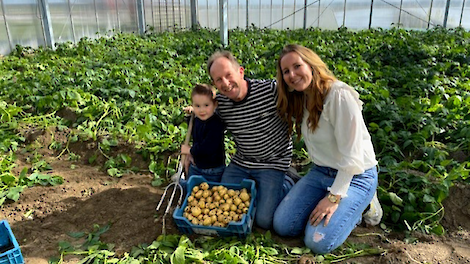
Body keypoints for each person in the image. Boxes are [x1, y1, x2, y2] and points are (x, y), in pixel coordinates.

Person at [273, 44, 382, 254]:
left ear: (311, 64)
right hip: (322, 171)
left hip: (356, 175)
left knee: (317, 242)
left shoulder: (338, 95)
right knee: (283, 225)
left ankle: (366, 204)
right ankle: (333, 206)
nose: (292, 75)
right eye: (286, 71)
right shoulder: (301, 98)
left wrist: (333, 198)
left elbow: (352, 156)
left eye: (297, 66)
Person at [207, 51, 294, 230]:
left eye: (228, 75)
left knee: (263, 221)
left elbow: (299, 102)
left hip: (273, 163)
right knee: (223, 202)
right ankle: (257, 188)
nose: (225, 83)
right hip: (242, 162)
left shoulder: (270, 90)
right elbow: (208, 126)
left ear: (240, 72)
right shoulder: (221, 103)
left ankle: (287, 183)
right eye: (218, 80)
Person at [180, 84, 225, 183]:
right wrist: (189, 117)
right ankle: (185, 186)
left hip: (212, 170)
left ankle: (184, 185)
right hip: (197, 165)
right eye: (197, 106)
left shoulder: (216, 124)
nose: (202, 110)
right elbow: (195, 131)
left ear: (215, 105)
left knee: (209, 192)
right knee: (193, 190)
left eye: (206, 105)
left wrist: (190, 150)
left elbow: (208, 147)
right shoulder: (198, 118)